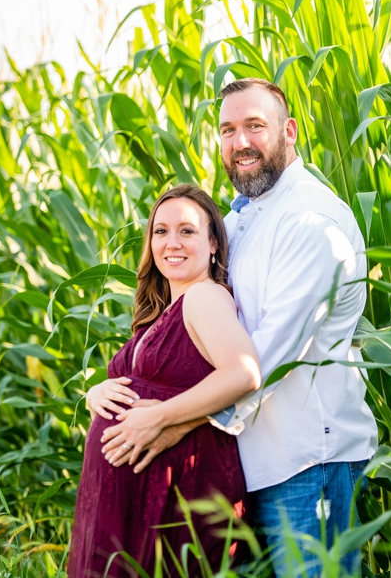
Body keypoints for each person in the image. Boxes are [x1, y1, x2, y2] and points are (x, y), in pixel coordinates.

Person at [210, 78, 378, 576]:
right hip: (252, 465)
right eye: (228, 130)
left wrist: (173, 420)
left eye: (254, 126)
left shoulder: (309, 217)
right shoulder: (239, 220)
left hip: (309, 462)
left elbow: (271, 355)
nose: (240, 142)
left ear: (290, 131)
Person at [68, 185, 260, 577]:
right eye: (161, 231)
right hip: (139, 497)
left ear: (212, 244)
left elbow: (244, 373)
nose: (172, 242)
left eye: (187, 231)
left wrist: (158, 418)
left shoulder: (204, 298)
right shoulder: (163, 310)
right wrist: (96, 392)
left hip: (181, 490)